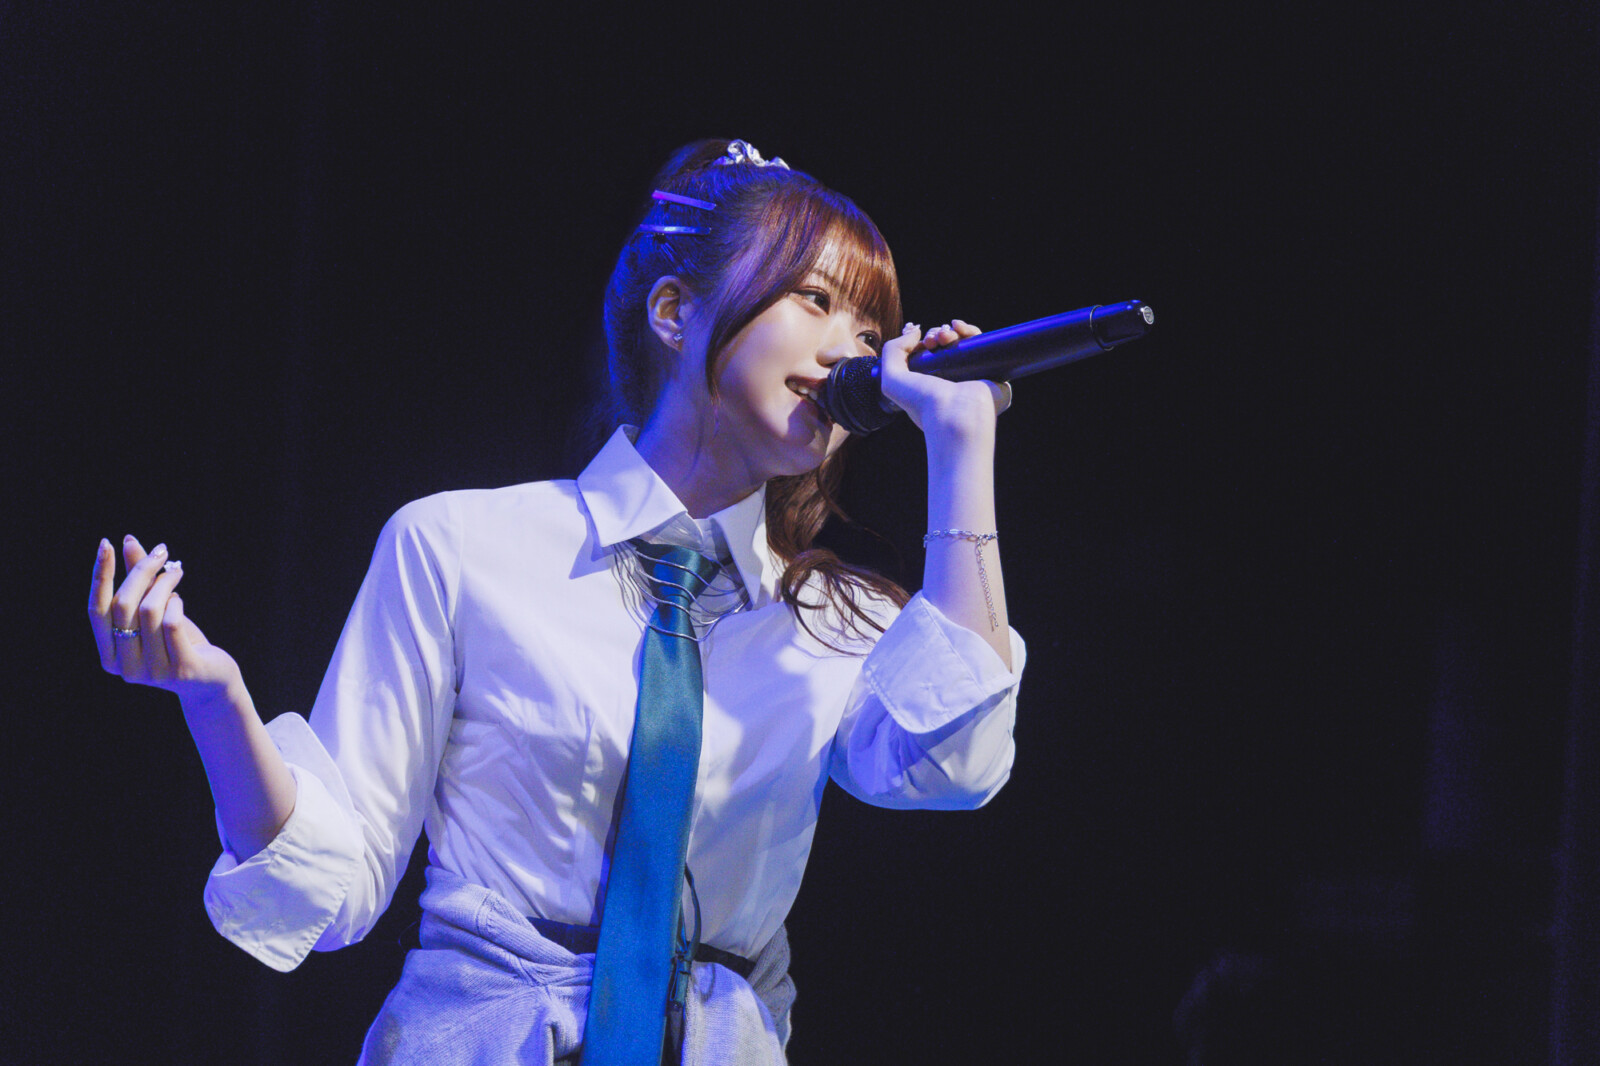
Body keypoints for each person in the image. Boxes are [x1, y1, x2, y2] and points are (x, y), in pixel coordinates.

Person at [87, 138, 1025, 1064]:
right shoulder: (462, 545)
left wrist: (961, 449)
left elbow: (959, 763)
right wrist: (216, 700)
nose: (850, 350)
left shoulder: (827, 620)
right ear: (674, 311)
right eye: (815, 299)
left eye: (869, 332)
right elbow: (329, 890)